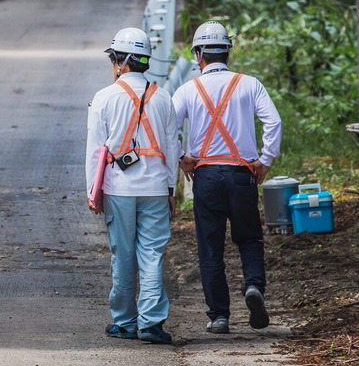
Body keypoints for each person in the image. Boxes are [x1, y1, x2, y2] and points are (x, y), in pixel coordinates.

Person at [172, 21, 283, 335]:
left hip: (205, 176)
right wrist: (264, 160)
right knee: (249, 238)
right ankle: (253, 286)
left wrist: (182, 157)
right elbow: (273, 123)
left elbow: (166, 127)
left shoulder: (187, 89)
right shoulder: (249, 84)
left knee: (210, 247)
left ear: (198, 55)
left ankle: (219, 316)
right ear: (228, 52)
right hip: (242, 176)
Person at [85, 27, 180, 345]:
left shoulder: (104, 97)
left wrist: (92, 192)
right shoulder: (163, 96)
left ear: (120, 62)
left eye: (113, 59)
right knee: (152, 254)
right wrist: (171, 190)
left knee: (122, 255)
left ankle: (124, 322)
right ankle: (152, 323)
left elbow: (95, 150)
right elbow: (172, 149)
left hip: (118, 189)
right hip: (154, 188)